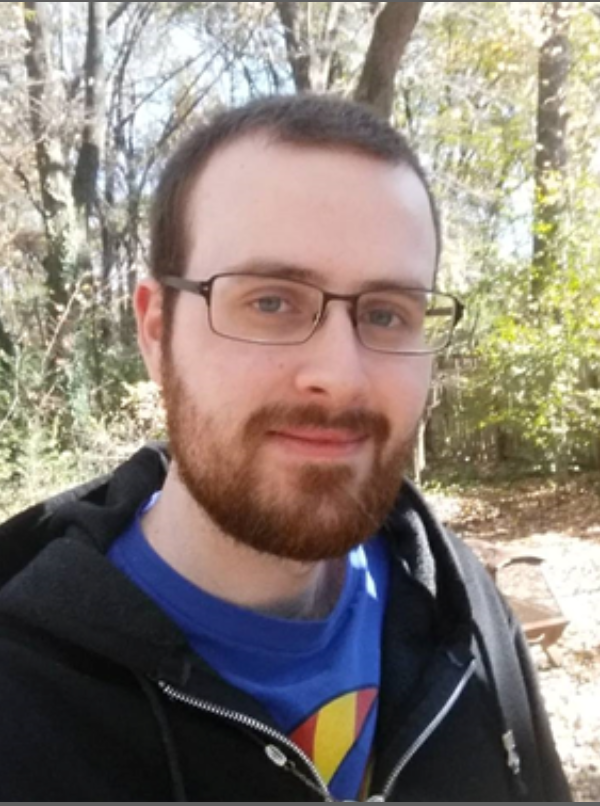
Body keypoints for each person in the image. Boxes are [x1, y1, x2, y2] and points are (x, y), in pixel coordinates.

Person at [0, 95, 571, 802]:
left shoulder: (461, 611)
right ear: (157, 332)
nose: (340, 375)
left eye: (387, 313)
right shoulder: (23, 699)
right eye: (270, 301)